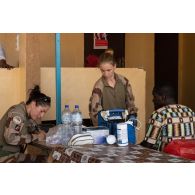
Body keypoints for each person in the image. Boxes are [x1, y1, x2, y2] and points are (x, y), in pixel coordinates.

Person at [0, 85, 51, 162]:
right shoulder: (18, 114)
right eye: (41, 111)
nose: (42, 116)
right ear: (33, 104)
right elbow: (11, 138)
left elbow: (33, 126)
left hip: (13, 154)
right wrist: (36, 137)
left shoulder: (26, 114)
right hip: (4, 156)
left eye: (44, 112)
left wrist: (39, 132)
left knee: (47, 159)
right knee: (46, 161)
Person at [89, 52, 138, 126]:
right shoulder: (98, 86)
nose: (106, 74)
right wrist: (101, 128)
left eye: (109, 70)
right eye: (102, 71)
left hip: (123, 125)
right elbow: (95, 111)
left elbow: (130, 102)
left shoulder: (124, 81)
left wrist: (132, 116)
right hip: (107, 125)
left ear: (115, 66)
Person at [141, 84, 195, 151]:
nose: (153, 100)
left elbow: (148, 145)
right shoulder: (189, 111)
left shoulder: (159, 114)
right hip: (188, 156)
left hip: (167, 157)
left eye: (155, 96)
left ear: (163, 97)